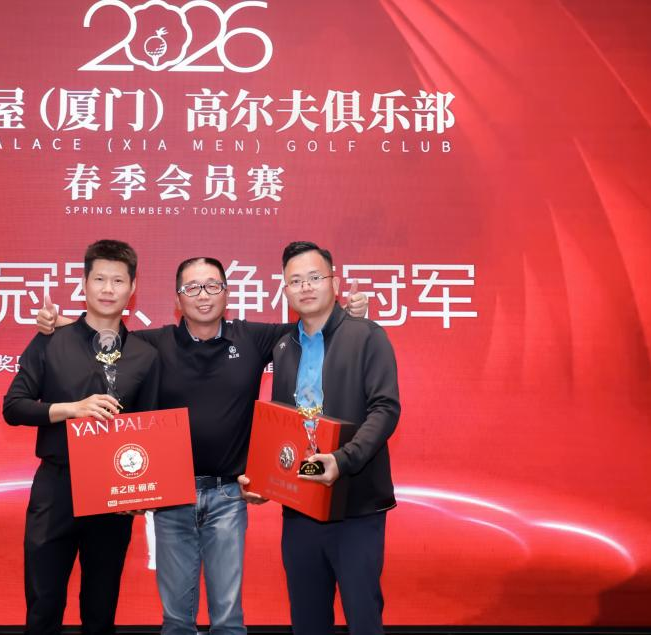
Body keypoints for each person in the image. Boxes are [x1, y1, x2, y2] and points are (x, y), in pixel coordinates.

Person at [36, 257, 368, 635]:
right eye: (192, 288)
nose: (203, 295)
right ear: (178, 299)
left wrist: (350, 312)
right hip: (171, 497)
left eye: (212, 286)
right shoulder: (154, 344)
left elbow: (312, 324)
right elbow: (104, 335)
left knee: (227, 618)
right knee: (177, 620)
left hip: (228, 496)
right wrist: (59, 323)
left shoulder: (252, 337)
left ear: (226, 293)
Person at [241, 241, 400, 635]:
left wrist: (343, 460)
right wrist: (265, 481)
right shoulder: (284, 346)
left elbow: (385, 409)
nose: (306, 287)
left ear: (335, 282)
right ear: (284, 290)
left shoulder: (367, 336)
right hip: (301, 507)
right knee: (308, 621)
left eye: (315, 277)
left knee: (363, 618)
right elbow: (285, 427)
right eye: (295, 281)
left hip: (356, 506)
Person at [3, 239, 161, 635]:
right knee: (43, 603)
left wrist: (139, 492)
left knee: (100, 608)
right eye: (99, 279)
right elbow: (14, 406)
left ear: (132, 288)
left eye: (118, 281)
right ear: (84, 284)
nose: (108, 289)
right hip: (56, 487)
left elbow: (149, 427)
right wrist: (70, 409)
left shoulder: (144, 355)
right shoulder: (51, 340)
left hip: (114, 493)